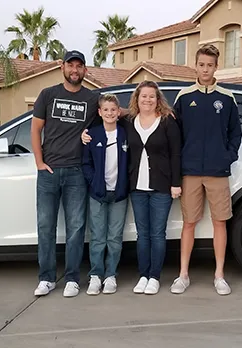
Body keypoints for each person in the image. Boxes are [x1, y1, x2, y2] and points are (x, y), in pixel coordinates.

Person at [82, 80, 182, 295]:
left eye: (151, 96)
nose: (147, 99)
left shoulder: (167, 121)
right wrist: (85, 133)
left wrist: (176, 183)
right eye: (143, 95)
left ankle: (154, 276)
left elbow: (175, 154)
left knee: (157, 233)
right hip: (136, 187)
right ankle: (143, 275)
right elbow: (107, 116)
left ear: (158, 99)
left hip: (162, 186)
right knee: (142, 233)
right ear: (137, 98)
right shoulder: (129, 121)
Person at [168, 44, 242, 296]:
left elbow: (235, 133)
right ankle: (183, 275)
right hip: (189, 171)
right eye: (201, 64)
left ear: (216, 66)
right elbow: (174, 134)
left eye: (210, 65)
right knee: (189, 222)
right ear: (196, 65)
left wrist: (227, 157)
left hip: (217, 172)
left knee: (219, 222)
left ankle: (219, 275)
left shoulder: (227, 98)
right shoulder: (184, 96)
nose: (205, 69)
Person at [31, 50, 104, 298]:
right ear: (62, 67)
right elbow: (35, 129)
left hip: (76, 172)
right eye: (70, 65)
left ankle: (72, 278)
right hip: (49, 172)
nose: (75, 70)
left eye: (79, 66)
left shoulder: (92, 98)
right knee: (45, 226)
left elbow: (115, 111)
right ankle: (47, 278)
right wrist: (39, 162)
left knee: (75, 228)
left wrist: (147, 110)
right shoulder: (48, 95)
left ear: (85, 70)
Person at [81, 93, 129, 295]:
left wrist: (125, 184)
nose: (110, 113)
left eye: (113, 110)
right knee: (98, 237)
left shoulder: (126, 134)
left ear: (118, 112)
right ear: (100, 112)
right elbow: (86, 163)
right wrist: (95, 182)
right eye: (106, 110)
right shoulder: (93, 135)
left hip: (119, 194)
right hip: (98, 194)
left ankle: (110, 275)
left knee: (115, 238)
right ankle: (95, 275)